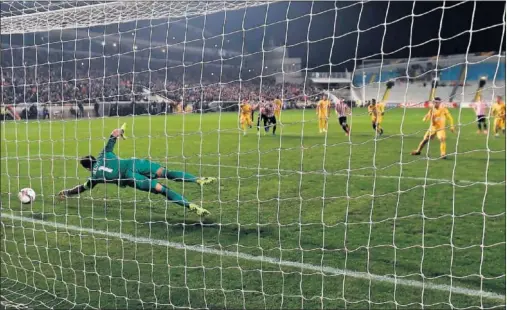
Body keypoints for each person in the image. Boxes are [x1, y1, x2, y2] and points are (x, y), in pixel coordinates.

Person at [58, 127, 215, 216]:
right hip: (135, 163)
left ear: (87, 168)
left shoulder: (94, 177)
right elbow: (114, 133)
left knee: (162, 189)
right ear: (94, 158)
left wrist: (66, 192)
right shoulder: (103, 153)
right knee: (166, 172)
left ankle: (191, 206)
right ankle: (197, 179)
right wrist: (121, 131)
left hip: (130, 177)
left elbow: (81, 188)